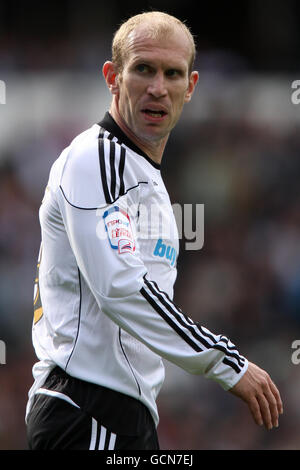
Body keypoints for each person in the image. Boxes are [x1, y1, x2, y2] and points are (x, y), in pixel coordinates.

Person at [26, 11, 283, 450]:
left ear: (191, 87)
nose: (158, 87)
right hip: (87, 408)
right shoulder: (95, 159)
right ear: (112, 76)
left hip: (121, 414)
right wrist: (227, 363)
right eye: (143, 68)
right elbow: (121, 288)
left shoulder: (143, 177)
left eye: (172, 73)